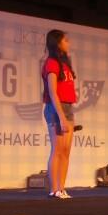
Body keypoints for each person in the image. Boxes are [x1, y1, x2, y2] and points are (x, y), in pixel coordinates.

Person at [42, 30, 77, 199]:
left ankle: (61, 188)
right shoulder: (51, 63)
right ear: (57, 43)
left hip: (68, 107)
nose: (68, 43)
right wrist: (61, 117)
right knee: (57, 150)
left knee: (66, 151)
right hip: (56, 108)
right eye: (65, 40)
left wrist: (67, 114)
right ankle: (54, 189)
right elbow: (52, 92)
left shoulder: (65, 64)